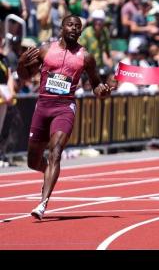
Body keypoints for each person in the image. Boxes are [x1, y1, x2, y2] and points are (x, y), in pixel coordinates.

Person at [17, 15, 113, 220]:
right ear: (61, 27)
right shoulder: (45, 50)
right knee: (33, 161)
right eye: (70, 25)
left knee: (56, 151)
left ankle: (43, 203)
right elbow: (24, 76)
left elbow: (96, 84)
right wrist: (21, 63)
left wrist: (102, 91)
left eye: (78, 27)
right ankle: (48, 173)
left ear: (81, 32)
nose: (74, 29)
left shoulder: (86, 57)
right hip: (42, 106)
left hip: (64, 108)